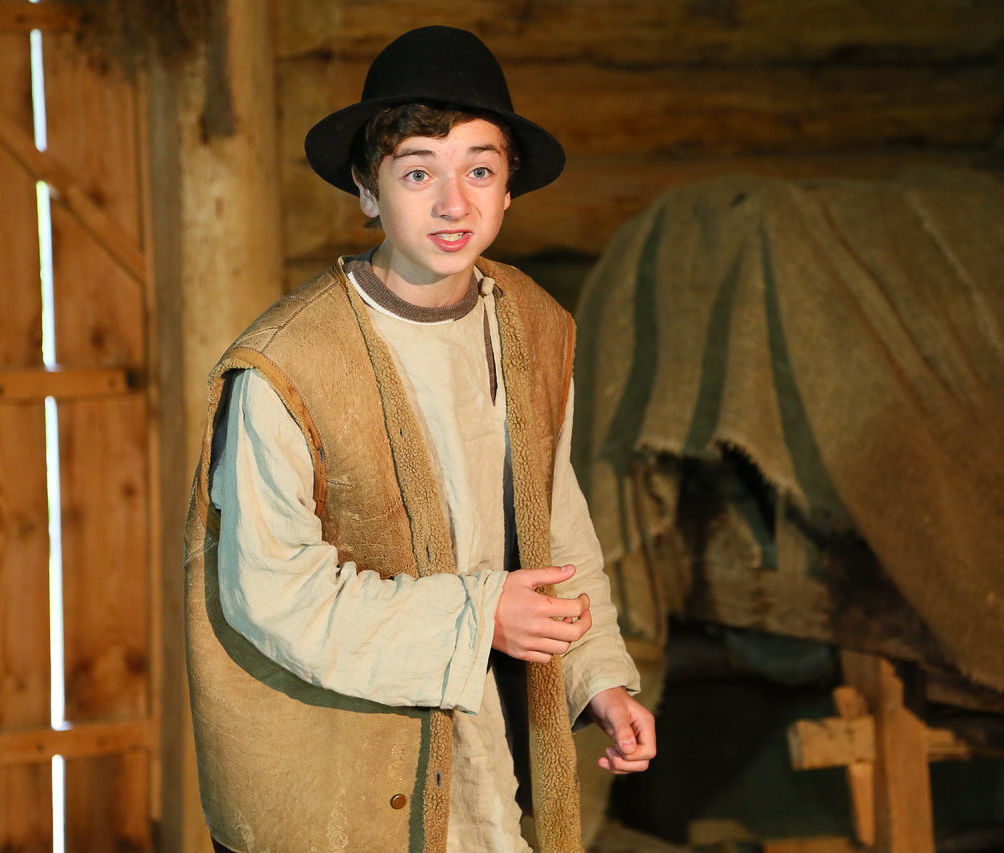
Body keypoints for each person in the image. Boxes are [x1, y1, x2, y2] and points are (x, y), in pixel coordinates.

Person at [184, 25, 654, 853]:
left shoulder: (534, 324)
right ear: (367, 190)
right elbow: (274, 591)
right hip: (341, 774)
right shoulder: (288, 364)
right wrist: (478, 617)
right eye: (417, 172)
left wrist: (597, 676)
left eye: (479, 170)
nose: (453, 203)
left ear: (509, 189)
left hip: (481, 757)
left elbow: (554, 524)